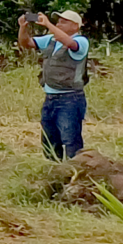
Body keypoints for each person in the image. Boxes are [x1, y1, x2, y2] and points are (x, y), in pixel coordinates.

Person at [19, 9, 91, 159]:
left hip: (70, 98)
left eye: (64, 21)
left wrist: (48, 25)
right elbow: (26, 43)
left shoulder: (81, 41)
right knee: (50, 141)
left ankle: (76, 174)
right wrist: (23, 27)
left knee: (71, 141)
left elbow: (70, 43)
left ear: (75, 26)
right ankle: (55, 174)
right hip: (50, 97)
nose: (59, 24)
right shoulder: (51, 40)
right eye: (58, 21)